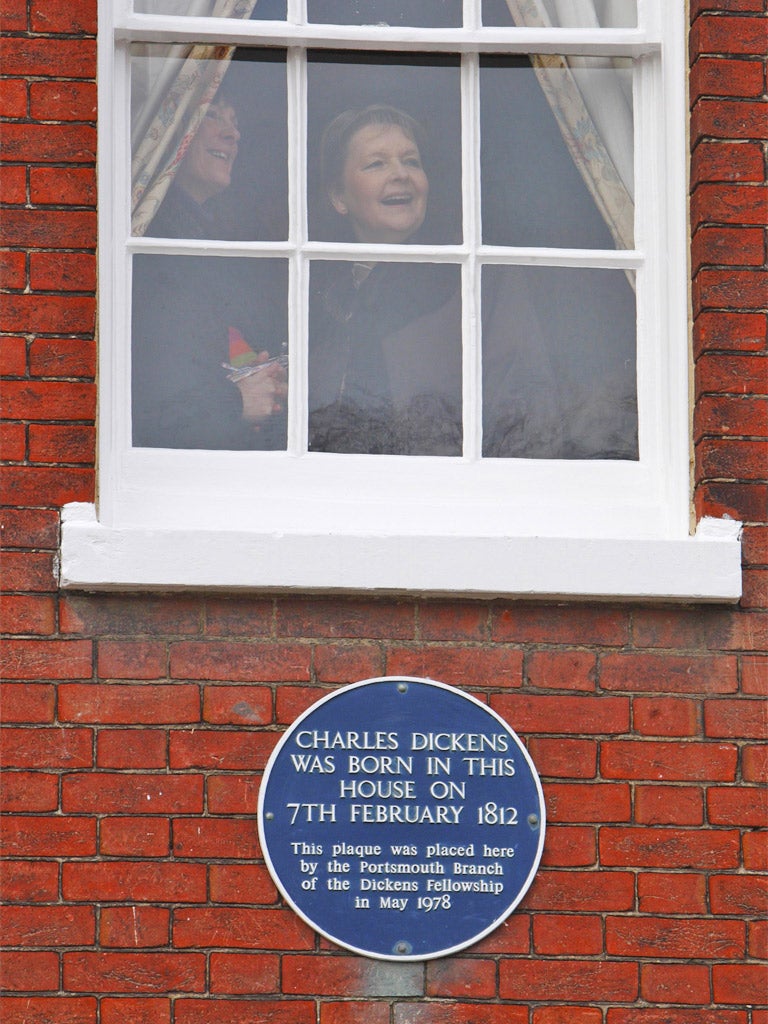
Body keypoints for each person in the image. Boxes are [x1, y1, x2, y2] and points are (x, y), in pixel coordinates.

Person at [132, 94, 288, 450]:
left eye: (235, 123)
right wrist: (237, 400)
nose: (233, 134)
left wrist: (252, 370)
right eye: (213, 115)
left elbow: (208, 339)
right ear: (170, 128)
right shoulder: (150, 237)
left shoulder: (200, 230)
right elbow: (157, 391)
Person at [308, 105, 462, 456]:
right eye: (377, 163)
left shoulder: (470, 279)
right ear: (338, 197)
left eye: (411, 161)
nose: (401, 174)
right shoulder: (323, 297)